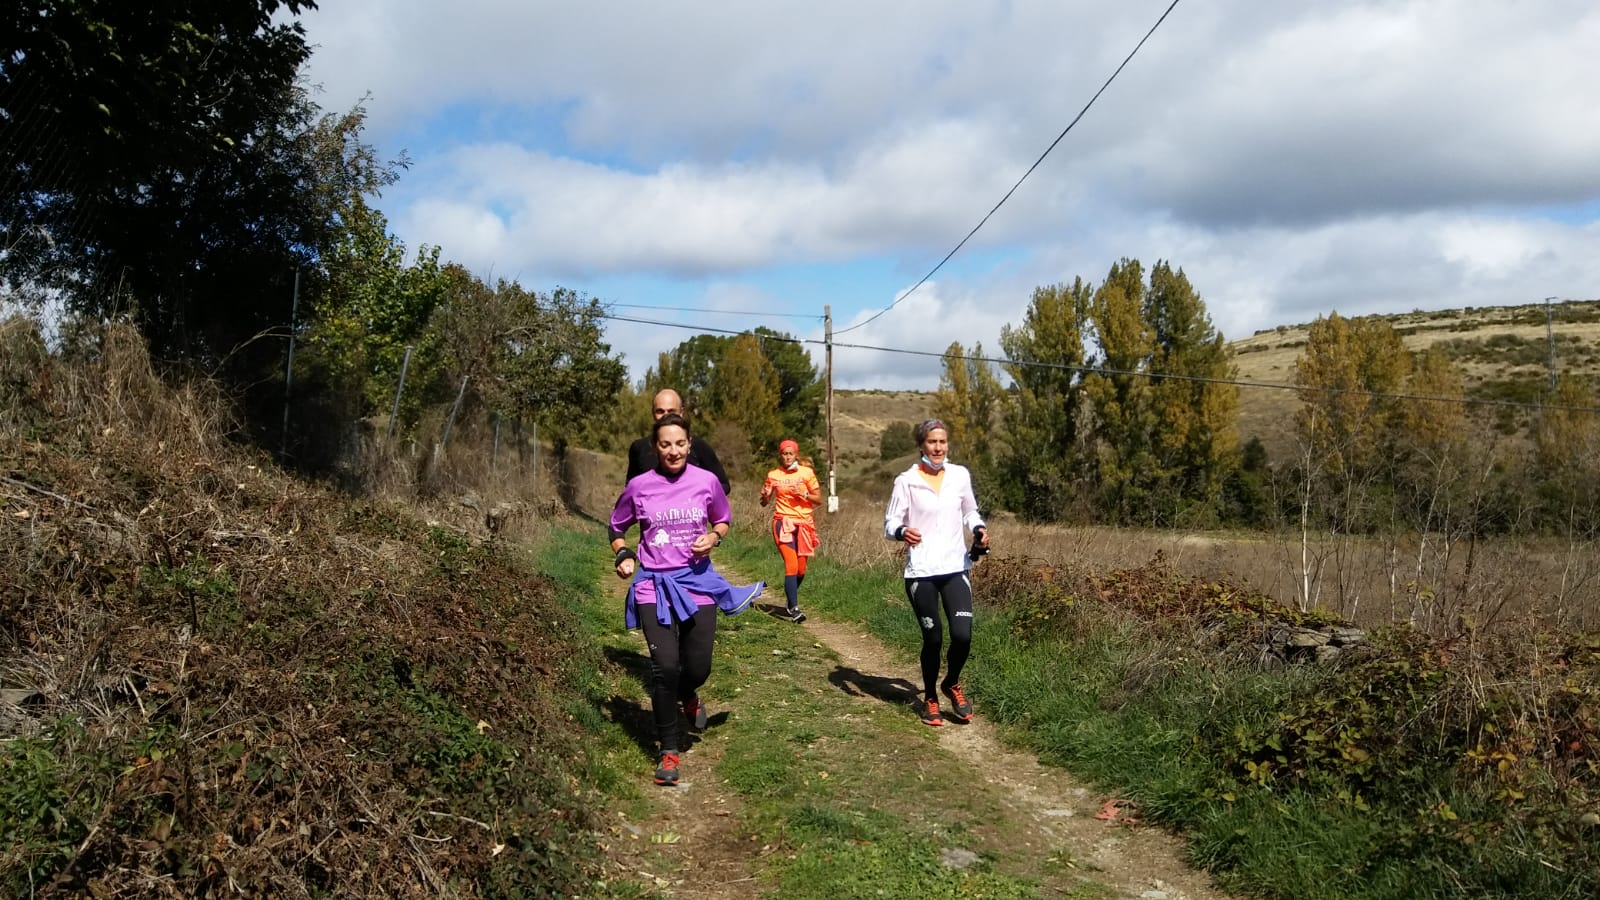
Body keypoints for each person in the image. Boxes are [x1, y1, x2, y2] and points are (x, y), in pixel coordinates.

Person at [609, 413, 763, 786]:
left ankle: (689, 694)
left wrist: (714, 537)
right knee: (664, 668)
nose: (673, 451)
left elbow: (722, 520)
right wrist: (624, 554)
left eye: (680, 444)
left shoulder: (706, 481)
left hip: (697, 582)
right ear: (655, 447)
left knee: (697, 668)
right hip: (654, 586)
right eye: (665, 444)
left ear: (689, 444)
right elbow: (616, 527)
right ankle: (668, 750)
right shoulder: (640, 486)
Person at [883, 419, 990, 727]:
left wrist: (979, 529)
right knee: (933, 638)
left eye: (942, 442)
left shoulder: (959, 475)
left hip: (956, 567)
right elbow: (890, 523)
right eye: (932, 442)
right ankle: (930, 695)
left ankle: (951, 683)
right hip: (922, 571)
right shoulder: (906, 480)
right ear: (921, 445)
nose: (938, 447)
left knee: (962, 636)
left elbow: (969, 510)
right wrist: (902, 530)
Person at [760, 439, 821, 623]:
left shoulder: (806, 473)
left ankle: (790, 596)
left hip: (804, 524)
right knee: (791, 564)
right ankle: (794, 608)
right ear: (780, 455)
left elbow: (818, 499)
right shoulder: (774, 475)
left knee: (801, 569)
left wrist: (803, 494)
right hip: (782, 522)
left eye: (790, 454)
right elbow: (764, 502)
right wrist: (764, 495)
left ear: (796, 454)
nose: (787, 457)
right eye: (784, 454)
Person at [626, 389, 731, 495]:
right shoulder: (639, 447)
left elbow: (723, 485)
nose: (665, 416)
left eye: (671, 411)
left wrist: (696, 497)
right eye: (660, 411)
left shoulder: (699, 446)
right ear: (653, 413)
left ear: (681, 412)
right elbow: (631, 489)